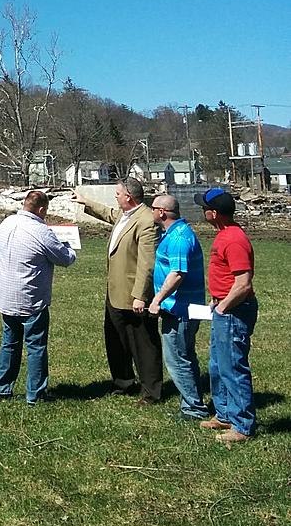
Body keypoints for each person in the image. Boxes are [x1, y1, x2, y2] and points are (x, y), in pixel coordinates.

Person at [72, 177, 162, 403]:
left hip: (133, 296)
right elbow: (111, 215)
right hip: (114, 293)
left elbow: (147, 262)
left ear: (129, 197)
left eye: (118, 193)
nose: (116, 196)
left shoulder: (145, 220)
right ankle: (123, 383)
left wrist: (140, 295)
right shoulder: (125, 215)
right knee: (115, 341)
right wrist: (85, 202)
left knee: (143, 345)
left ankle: (151, 391)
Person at [0, 189, 77, 405]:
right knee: (36, 346)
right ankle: (35, 394)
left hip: (6, 295)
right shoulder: (41, 231)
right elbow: (64, 258)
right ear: (41, 209)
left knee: (9, 343)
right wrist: (70, 247)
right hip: (31, 298)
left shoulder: (6, 224)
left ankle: (1, 388)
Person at [197, 187, 258, 446]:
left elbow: (243, 283)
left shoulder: (233, 239)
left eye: (204, 208)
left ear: (214, 213)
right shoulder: (224, 234)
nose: (202, 212)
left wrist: (223, 307)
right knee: (217, 366)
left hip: (234, 311)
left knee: (233, 367)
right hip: (223, 306)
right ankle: (224, 414)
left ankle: (242, 425)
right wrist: (217, 298)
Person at [147, 194, 209, 420]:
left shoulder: (180, 238)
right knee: (185, 356)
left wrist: (157, 300)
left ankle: (193, 409)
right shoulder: (172, 234)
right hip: (179, 308)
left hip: (180, 310)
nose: (151, 212)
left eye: (153, 208)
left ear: (162, 212)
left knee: (177, 360)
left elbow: (177, 274)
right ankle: (191, 403)